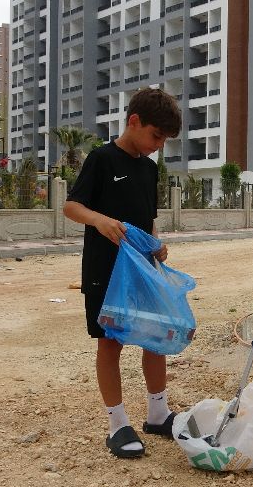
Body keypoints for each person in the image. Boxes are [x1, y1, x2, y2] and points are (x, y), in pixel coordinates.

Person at [63, 88, 181, 458]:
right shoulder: (102, 160)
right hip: (106, 269)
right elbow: (71, 206)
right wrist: (99, 221)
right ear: (134, 122)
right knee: (110, 342)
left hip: (143, 269)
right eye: (156, 136)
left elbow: (149, 219)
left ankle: (158, 413)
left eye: (164, 139)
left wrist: (156, 245)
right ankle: (117, 425)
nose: (158, 146)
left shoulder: (148, 168)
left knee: (154, 337)